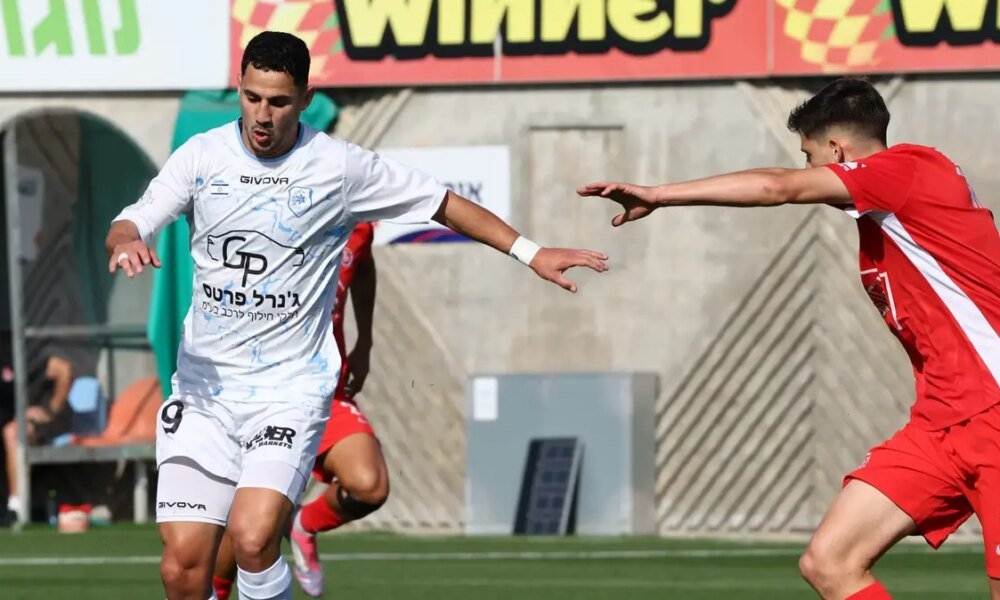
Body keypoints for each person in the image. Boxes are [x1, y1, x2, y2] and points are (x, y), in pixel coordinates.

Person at [106, 31, 607, 600]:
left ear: (305, 97)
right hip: (204, 393)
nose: (262, 115)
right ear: (239, 87)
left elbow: (444, 204)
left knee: (252, 537)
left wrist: (531, 252)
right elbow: (132, 220)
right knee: (182, 569)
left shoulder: (340, 167)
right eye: (252, 97)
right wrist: (127, 239)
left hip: (288, 392)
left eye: (279, 102)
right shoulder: (202, 156)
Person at [579, 77, 1000, 600]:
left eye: (808, 156)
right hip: (941, 421)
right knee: (830, 562)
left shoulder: (907, 171)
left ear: (836, 151)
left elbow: (778, 188)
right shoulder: (893, 208)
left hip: (993, 412)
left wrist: (661, 194)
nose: (805, 169)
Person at [211, 222, 383, 599]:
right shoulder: (272, 215)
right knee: (242, 534)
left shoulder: (359, 222)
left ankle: (303, 523)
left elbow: (363, 266)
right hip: (260, 390)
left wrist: (365, 342)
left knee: (370, 485)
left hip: (324, 390)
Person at [1, 348, 75, 522]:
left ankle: (16, 509)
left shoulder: (25, 353)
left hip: (40, 424)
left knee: (12, 432)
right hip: (13, 419)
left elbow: (64, 370)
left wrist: (51, 410)